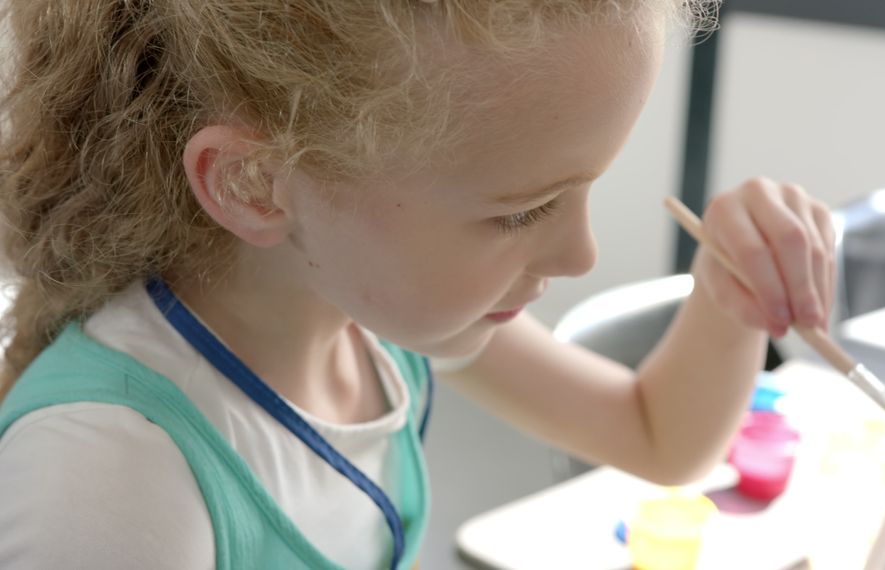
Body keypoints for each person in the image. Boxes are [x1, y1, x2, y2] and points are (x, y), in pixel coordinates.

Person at [0, 1, 835, 568]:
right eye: (523, 211)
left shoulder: (370, 316)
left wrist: (729, 299)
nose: (580, 252)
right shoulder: (113, 474)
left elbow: (660, 438)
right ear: (255, 184)